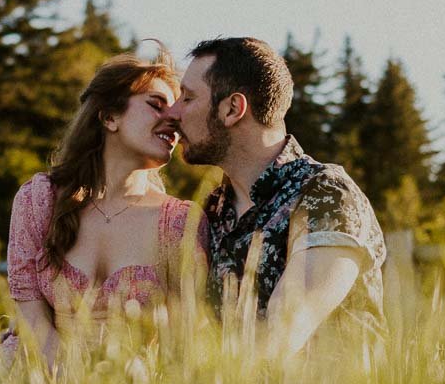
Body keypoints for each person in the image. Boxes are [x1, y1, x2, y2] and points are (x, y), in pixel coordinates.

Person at [161, 36, 387, 351]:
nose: (172, 113)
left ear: (232, 109)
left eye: (187, 98)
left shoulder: (325, 193)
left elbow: (285, 329)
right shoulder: (210, 212)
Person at [5, 51, 201, 368]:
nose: (173, 119)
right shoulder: (39, 199)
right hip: (37, 368)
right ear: (110, 117)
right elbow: (31, 312)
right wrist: (67, 378)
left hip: (128, 383)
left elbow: (183, 339)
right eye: (155, 104)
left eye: (177, 112)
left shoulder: (179, 222)